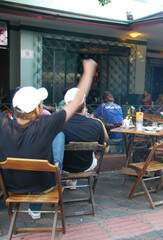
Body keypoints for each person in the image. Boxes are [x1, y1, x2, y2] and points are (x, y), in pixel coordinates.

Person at [0, 59, 97, 219]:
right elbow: (76, 102)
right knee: (58, 138)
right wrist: (88, 73)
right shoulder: (46, 125)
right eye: (41, 104)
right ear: (38, 109)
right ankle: (36, 208)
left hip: (11, 187)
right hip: (43, 186)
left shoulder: (2, 123)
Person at [62, 88, 108, 176]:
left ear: (66, 105)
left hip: (63, 167)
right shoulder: (97, 123)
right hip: (87, 166)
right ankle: (73, 181)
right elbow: (105, 148)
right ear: (84, 104)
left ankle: (70, 181)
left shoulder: (58, 123)